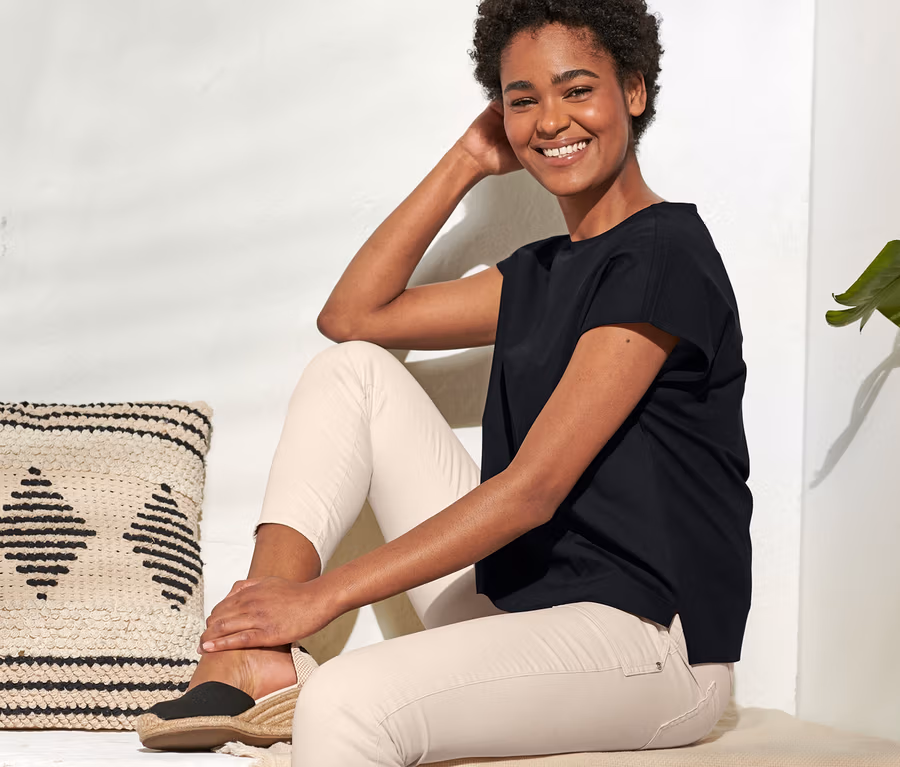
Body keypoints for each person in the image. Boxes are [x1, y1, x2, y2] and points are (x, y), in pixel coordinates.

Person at [144, 1, 752, 764]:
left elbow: (532, 489)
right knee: (354, 372)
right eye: (522, 100)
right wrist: (466, 158)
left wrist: (324, 596)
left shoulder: (664, 253)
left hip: (652, 641)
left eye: (576, 90)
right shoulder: (544, 271)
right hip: (527, 608)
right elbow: (352, 316)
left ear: (633, 90)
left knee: (345, 699)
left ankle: (285, 642)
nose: (550, 120)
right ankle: (255, 657)